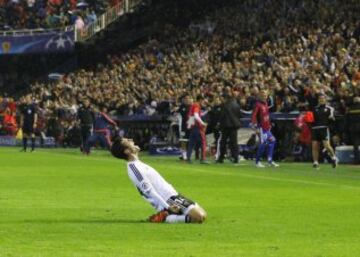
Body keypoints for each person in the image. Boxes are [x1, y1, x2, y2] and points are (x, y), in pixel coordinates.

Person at [111, 137, 207, 223]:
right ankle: (165, 217)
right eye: (127, 141)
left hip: (174, 196)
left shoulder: (138, 164)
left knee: (203, 215)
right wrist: (167, 207)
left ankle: (167, 215)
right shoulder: (134, 169)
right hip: (168, 199)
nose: (131, 140)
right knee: (198, 217)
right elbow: (150, 191)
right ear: (127, 151)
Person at [251, 89, 279, 168]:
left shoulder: (265, 103)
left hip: (267, 127)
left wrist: (269, 124)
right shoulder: (257, 104)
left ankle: (269, 160)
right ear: (259, 95)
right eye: (263, 95)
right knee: (263, 143)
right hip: (261, 128)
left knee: (273, 140)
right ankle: (257, 162)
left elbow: (266, 115)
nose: (264, 96)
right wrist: (255, 126)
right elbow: (254, 116)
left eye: (265, 95)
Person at [311, 94, 338, 169]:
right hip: (315, 128)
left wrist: (332, 118)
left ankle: (334, 158)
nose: (321, 100)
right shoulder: (314, 108)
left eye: (323, 98)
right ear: (318, 100)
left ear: (325, 99)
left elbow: (333, 119)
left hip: (324, 128)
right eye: (320, 98)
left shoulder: (330, 108)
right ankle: (315, 162)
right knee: (314, 146)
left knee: (327, 146)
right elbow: (311, 119)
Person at [216, 91, 241, 164]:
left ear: (225, 98)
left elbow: (222, 116)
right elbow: (239, 115)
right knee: (234, 142)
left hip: (226, 126)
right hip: (234, 126)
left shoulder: (224, 105)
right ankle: (235, 158)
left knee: (223, 142)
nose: (221, 100)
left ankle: (221, 158)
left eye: (221, 98)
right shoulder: (236, 104)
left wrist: (219, 124)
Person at [186, 95, 208, 164]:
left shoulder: (192, 105)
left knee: (191, 143)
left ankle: (188, 158)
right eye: (203, 100)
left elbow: (190, 116)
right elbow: (196, 115)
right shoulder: (197, 105)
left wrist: (189, 126)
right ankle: (203, 159)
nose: (203, 102)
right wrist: (203, 123)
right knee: (203, 142)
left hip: (192, 126)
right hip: (197, 127)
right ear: (200, 100)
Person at [345, 96, 360, 164]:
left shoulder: (350, 108)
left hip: (353, 128)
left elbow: (347, 119)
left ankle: (356, 161)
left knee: (356, 145)